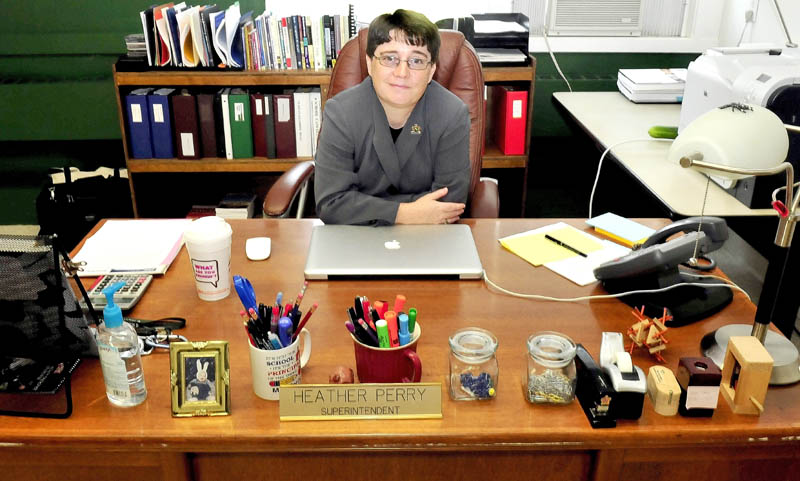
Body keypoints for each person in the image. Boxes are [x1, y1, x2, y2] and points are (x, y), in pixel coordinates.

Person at [314, 9, 471, 226]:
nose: (402, 73)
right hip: (357, 239)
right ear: (370, 63)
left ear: (432, 70)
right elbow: (331, 204)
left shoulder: (452, 114)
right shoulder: (341, 113)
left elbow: (449, 204)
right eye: (390, 58)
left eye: (416, 60)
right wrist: (406, 213)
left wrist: (364, 206)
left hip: (427, 238)